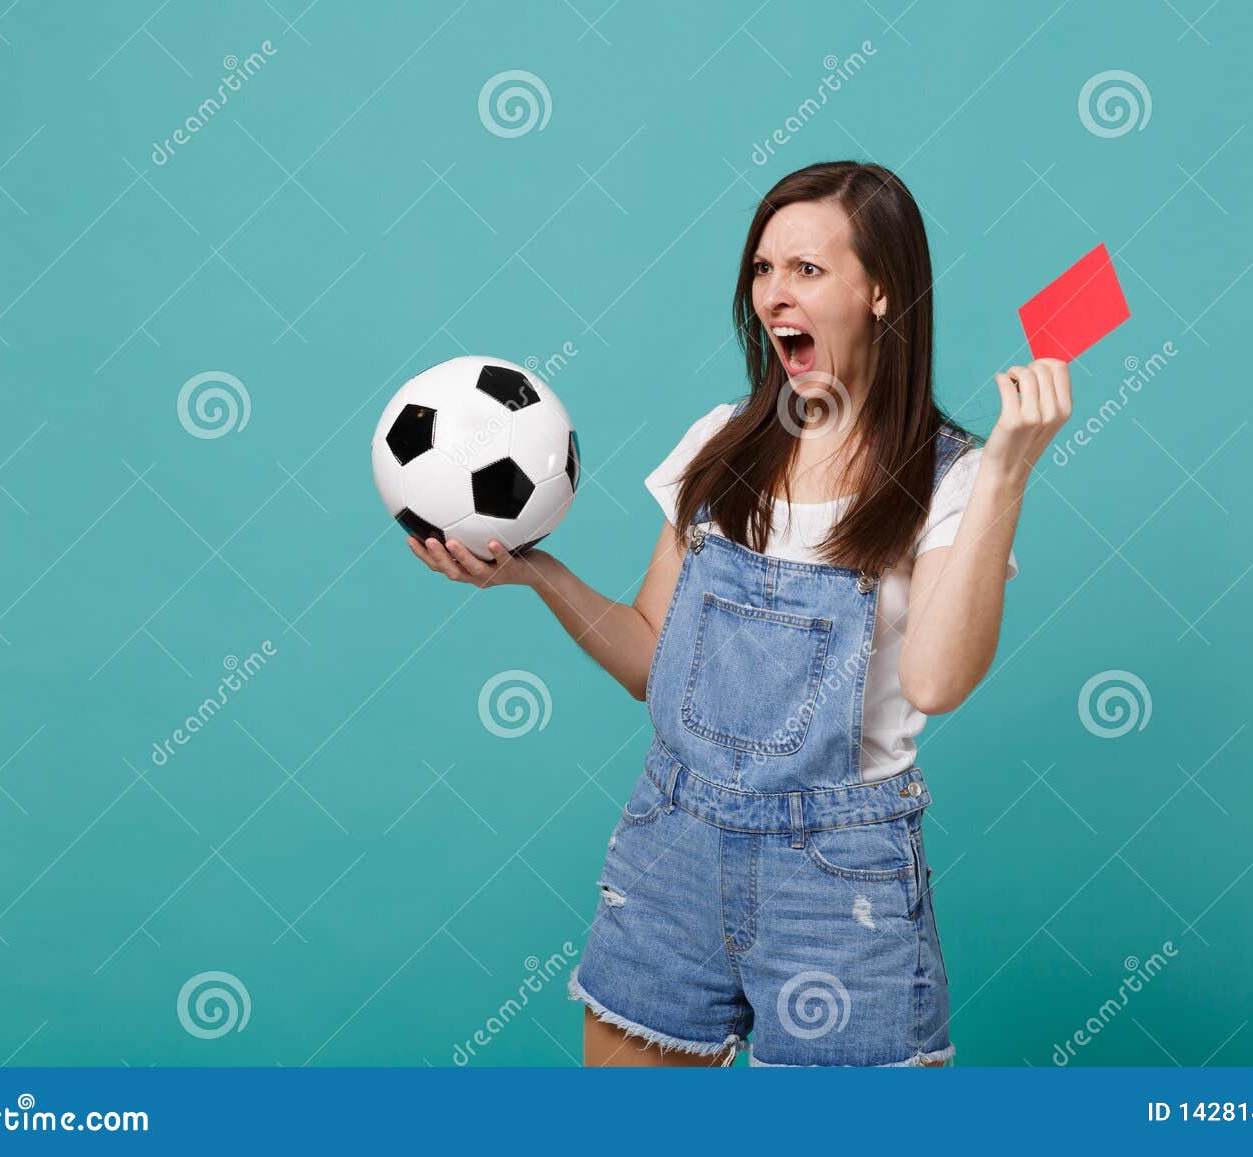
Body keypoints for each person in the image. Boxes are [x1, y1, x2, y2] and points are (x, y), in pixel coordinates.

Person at [406, 160, 1071, 1066]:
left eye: (807, 269)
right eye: (763, 269)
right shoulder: (723, 445)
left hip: (840, 879)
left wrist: (1006, 471)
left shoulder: (949, 479)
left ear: (881, 292)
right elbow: (652, 658)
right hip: (670, 845)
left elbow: (936, 680)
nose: (773, 294)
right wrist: (541, 576)